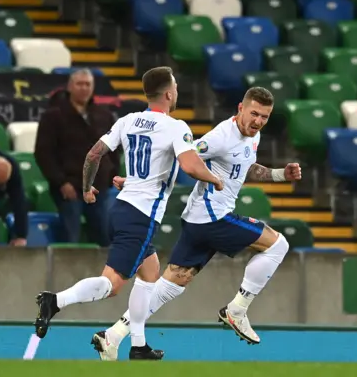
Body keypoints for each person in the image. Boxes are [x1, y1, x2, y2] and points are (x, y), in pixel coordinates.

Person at [89, 87, 302, 361]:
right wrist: (135, 182)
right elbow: (182, 157)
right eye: (254, 114)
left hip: (197, 221)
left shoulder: (252, 135)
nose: (259, 121)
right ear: (240, 108)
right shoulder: (220, 137)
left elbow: (244, 167)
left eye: (265, 116)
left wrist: (279, 175)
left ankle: (113, 335)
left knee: (170, 286)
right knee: (277, 245)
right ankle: (237, 309)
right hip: (215, 219)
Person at [33, 67, 224, 361]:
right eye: (175, 87)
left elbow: (94, 154)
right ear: (169, 93)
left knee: (150, 273)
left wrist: (87, 189)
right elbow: (189, 165)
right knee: (111, 284)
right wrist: (214, 179)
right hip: (142, 215)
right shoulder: (176, 127)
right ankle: (55, 301)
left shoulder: (128, 120)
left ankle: (138, 344)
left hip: (121, 207)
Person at [35, 68, 119, 246]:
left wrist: (112, 174)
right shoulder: (53, 116)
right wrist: (61, 182)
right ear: (70, 87)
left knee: (104, 236)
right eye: (79, 84)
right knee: (70, 237)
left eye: (88, 84)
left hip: (99, 187)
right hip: (69, 186)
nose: (84, 88)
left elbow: (113, 149)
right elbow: (44, 153)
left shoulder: (104, 115)